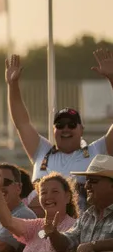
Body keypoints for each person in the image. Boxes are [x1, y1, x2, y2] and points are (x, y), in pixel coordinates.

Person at [6, 51, 112, 204]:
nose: (66, 129)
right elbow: (22, 123)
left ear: (82, 129)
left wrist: (112, 79)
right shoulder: (41, 151)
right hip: (39, 225)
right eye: (60, 125)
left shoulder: (97, 152)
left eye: (71, 124)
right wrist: (12, 85)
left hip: (79, 226)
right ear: (53, 129)